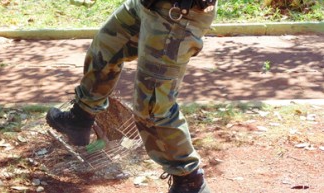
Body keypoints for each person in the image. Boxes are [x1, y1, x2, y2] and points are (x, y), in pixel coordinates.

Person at [46, 0, 217, 192]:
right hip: (145, 4)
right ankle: (80, 118)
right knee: (104, 50)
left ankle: (190, 181)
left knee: (152, 108)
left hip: (177, 14)